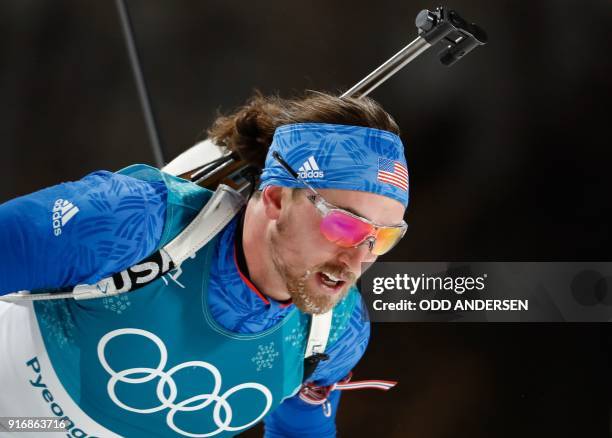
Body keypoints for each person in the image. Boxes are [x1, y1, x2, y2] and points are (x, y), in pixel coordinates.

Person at [0, 91, 409, 437]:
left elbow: (302, 429)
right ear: (276, 198)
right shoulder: (129, 219)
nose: (359, 259)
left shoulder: (338, 330)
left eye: (382, 238)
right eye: (345, 226)